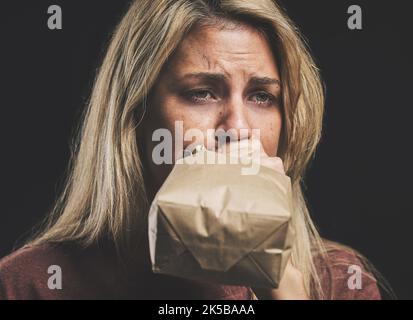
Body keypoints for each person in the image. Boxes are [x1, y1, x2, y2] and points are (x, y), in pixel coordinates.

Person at [0, 0, 385, 299]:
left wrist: (278, 276)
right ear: (134, 116)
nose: (237, 129)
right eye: (201, 93)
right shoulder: (31, 284)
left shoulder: (337, 284)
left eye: (262, 97)